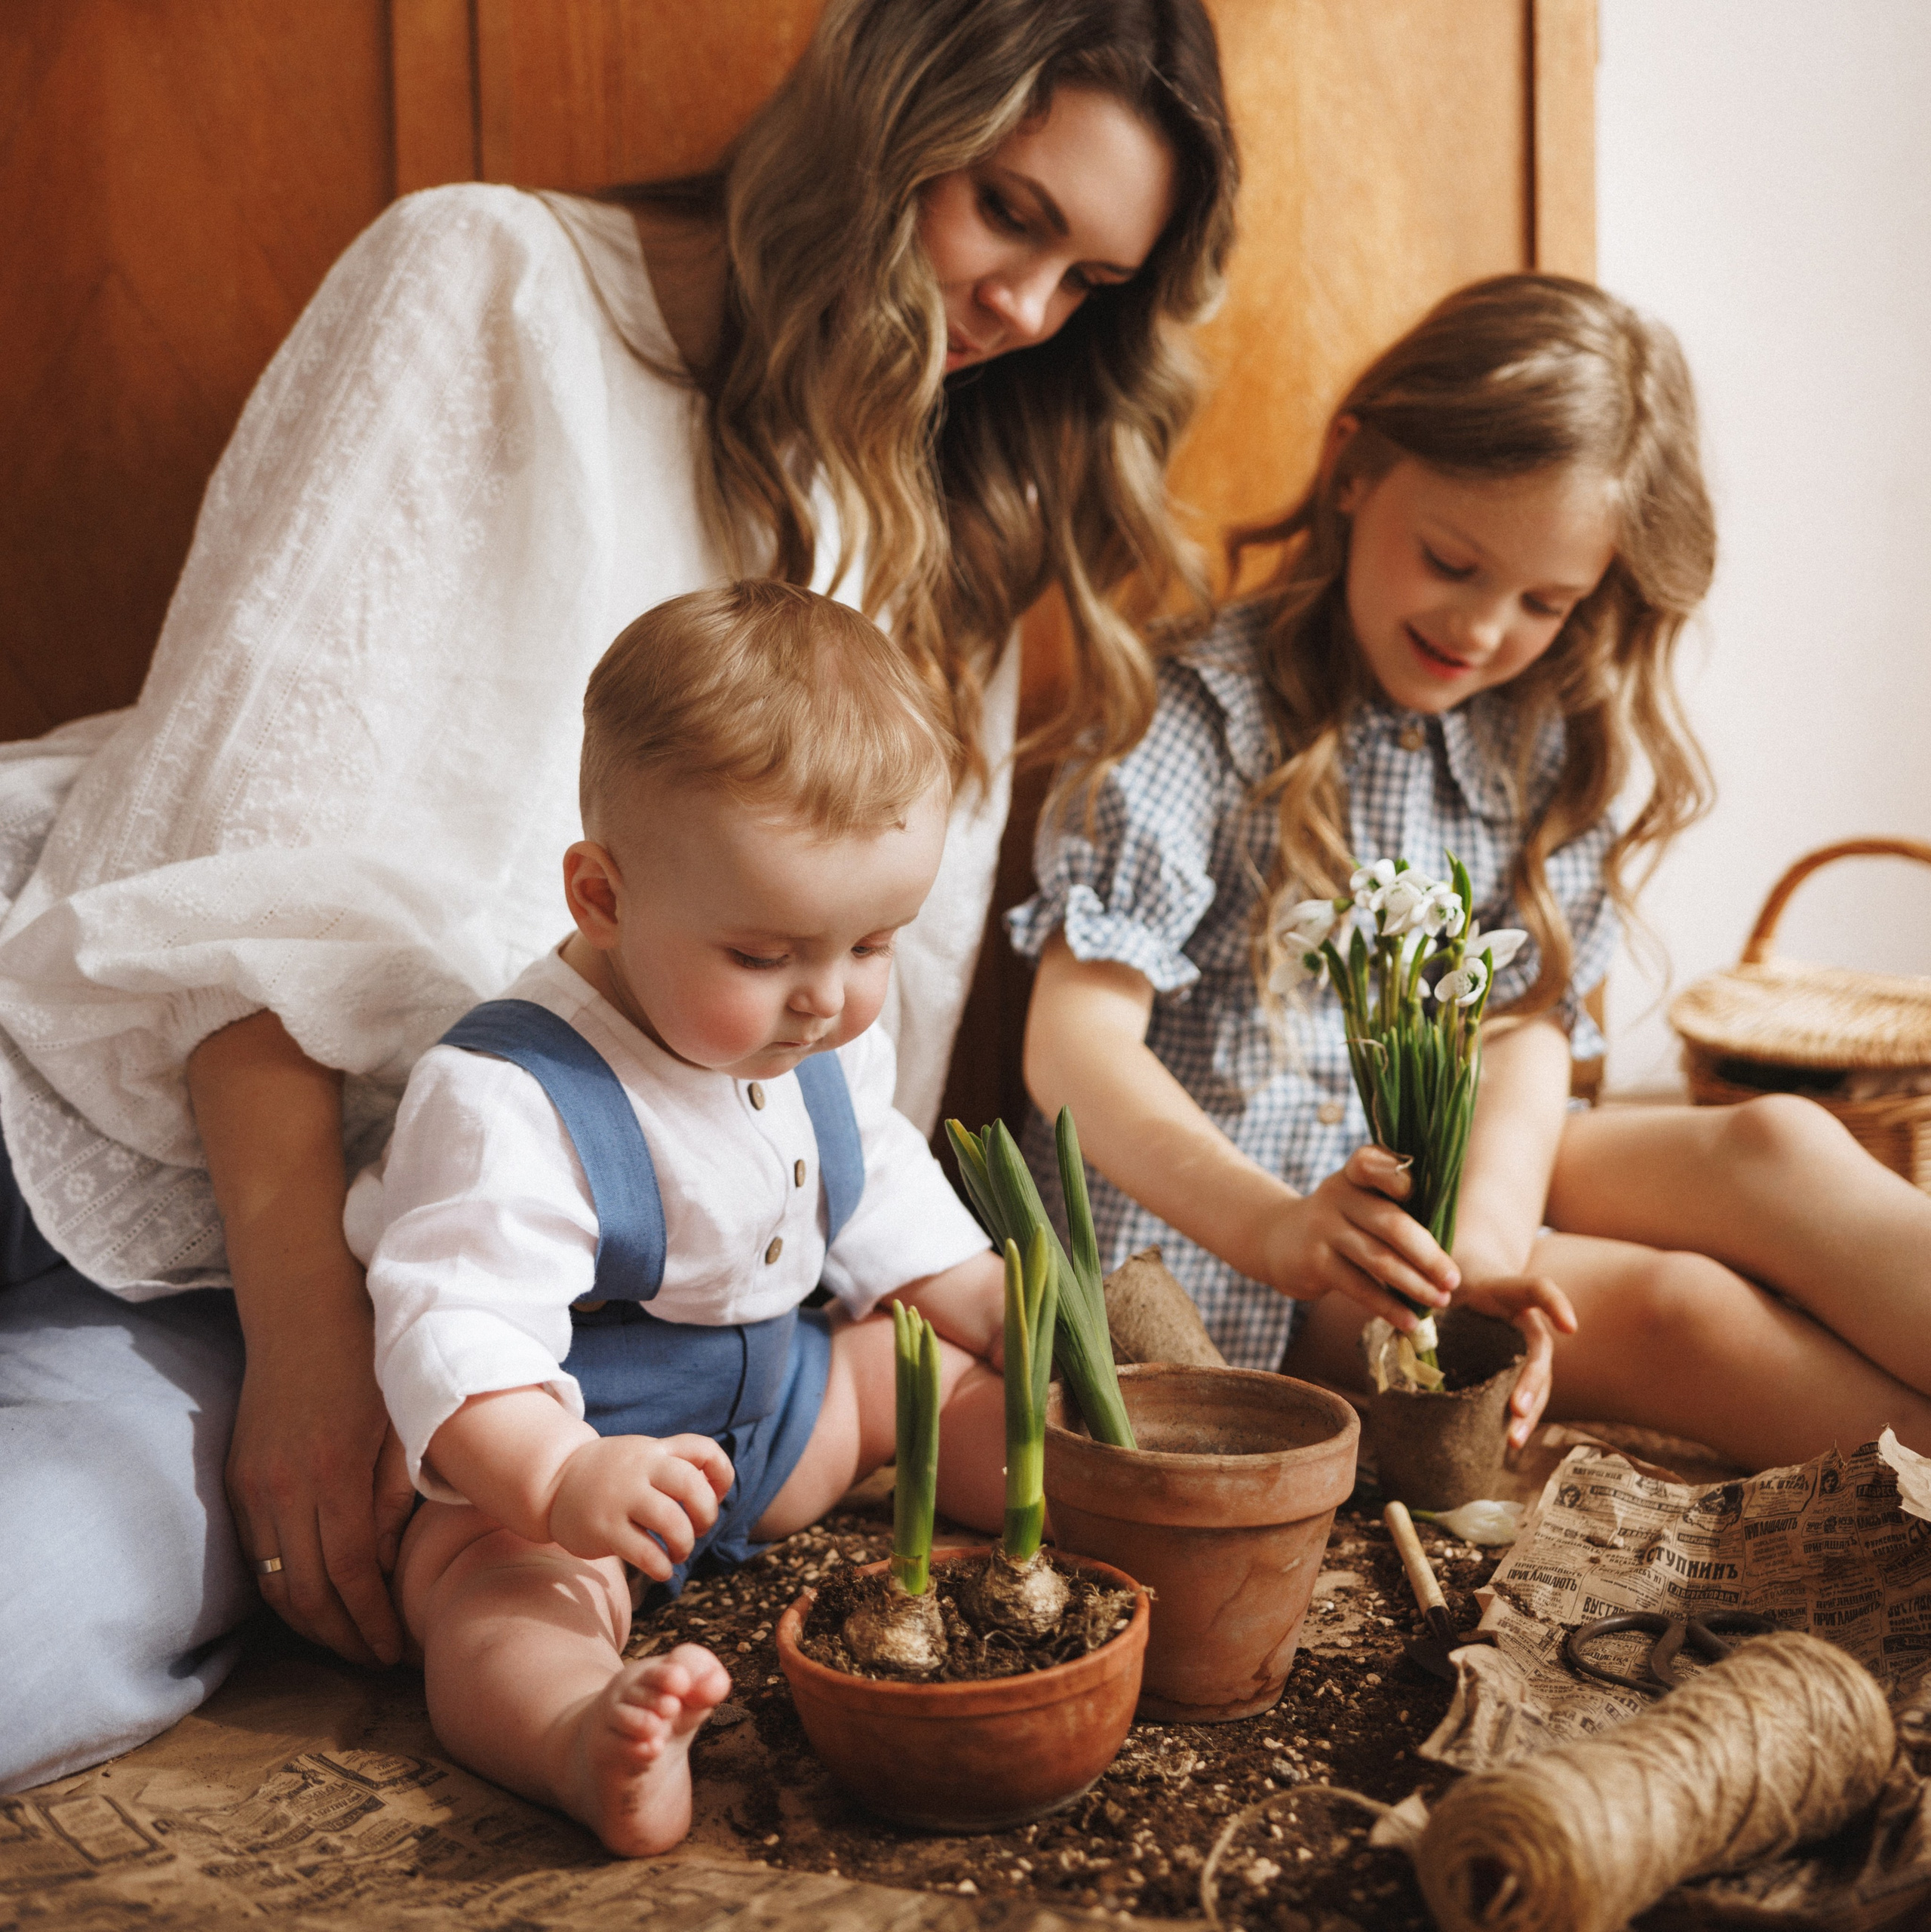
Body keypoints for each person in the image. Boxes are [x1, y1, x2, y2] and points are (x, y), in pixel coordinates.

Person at [0, 0, 1238, 1792]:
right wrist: (308, 1352)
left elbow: (834, 1079)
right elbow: (238, 857)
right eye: (1008, 215)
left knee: (36, 1620)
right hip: (105, 1065)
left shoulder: (936, 522)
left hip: (411, 1279)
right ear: (882, 128)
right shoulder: (486, 280)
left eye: (1093, 283)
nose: (1029, 313)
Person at [1015, 273, 1931, 1474]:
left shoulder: (1536, 731)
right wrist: (1281, 1226)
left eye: (1547, 601)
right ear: (1355, 471)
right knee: (1673, 1310)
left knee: (1782, 1146)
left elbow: (1522, 1034)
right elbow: (1071, 1048)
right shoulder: (1197, 710)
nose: (1486, 630)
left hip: (1450, 1183)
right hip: (1262, 1239)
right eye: (1452, 560)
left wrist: (1489, 1250)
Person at [361, 582, 1007, 1854]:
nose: (825, 1000)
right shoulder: (509, 1095)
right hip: (578, 1474)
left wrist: (988, 1296)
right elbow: (454, 1329)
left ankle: (1114, 1488)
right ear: (601, 896)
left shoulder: (816, 1027)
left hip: (787, 1418)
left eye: (874, 943)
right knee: (490, 1600)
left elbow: (871, 1176)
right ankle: (577, 1733)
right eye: (764, 957)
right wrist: (558, 1473)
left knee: (950, 1384)